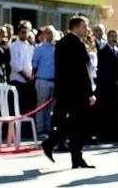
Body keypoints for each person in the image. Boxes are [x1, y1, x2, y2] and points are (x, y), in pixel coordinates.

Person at [41, 16, 96, 168]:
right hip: (76, 92)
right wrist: (89, 93)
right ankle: (54, 144)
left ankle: (73, 155)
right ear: (76, 27)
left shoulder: (62, 43)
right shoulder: (76, 44)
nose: (86, 30)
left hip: (65, 90)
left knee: (71, 123)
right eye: (84, 27)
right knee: (77, 124)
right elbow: (82, 72)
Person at [96, 29, 118, 141]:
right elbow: (103, 70)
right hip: (106, 87)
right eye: (111, 36)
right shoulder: (103, 52)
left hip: (117, 88)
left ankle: (114, 133)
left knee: (115, 110)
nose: (114, 38)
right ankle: (104, 134)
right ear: (107, 38)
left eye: (115, 36)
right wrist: (113, 80)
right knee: (105, 110)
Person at [31, 25, 58, 138]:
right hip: (42, 80)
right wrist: (34, 76)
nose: (49, 35)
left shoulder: (57, 48)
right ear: (44, 35)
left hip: (55, 81)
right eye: (47, 33)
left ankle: (48, 127)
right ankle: (40, 129)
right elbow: (34, 64)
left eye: (51, 32)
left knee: (51, 107)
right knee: (41, 106)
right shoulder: (40, 48)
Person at [9, 21, 36, 116]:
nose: (24, 34)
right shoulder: (14, 46)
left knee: (27, 107)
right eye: (22, 32)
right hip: (17, 81)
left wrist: (32, 77)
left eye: (26, 32)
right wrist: (27, 77)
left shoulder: (30, 47)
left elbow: (32, 63)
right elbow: (16, 65)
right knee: (16, 108)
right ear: (19, 32)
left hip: (28, 83)